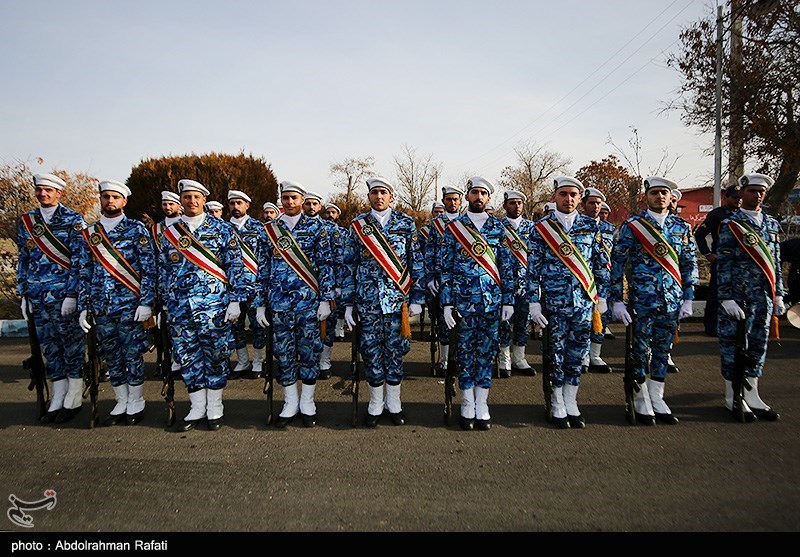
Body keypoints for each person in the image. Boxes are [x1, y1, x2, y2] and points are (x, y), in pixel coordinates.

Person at [158, 179, 247, 431]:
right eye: (187, 197)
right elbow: (164, 271)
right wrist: (164, 305)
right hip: (180, 308)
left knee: (216, 355)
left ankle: (215, 406)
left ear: (204, 200)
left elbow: (235, 267)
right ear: (181, 201)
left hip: (214, 307)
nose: (192, 201)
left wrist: (236, 301)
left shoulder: (222, 230)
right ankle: (197, 407)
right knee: (188, 357)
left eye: (196, 197)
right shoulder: (170, 233)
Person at [610, 177, 698, 425]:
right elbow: (617, 264)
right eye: (655, 193)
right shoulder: (633, 226)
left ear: (672, 198)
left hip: (671, 300)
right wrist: (617, 300)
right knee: (639, 350)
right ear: (646, 197)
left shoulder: (682, 227)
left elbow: (689, 265)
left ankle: (657, 396)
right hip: (642, 300)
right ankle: (639, 397)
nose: (660, 197)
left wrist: (688, 297)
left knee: (662, 350)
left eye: (664, 193)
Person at [341, 177, 425, 426]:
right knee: (372, 352)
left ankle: (395, 402)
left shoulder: (406, 223)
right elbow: (348, 266)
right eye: (375, 193)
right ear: (368, 197)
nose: (379, 196)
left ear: (391, 197)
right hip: (367, 303)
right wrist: (347, 304)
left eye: (384, 192)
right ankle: (376, 403)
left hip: (397, 303)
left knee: (396, 352)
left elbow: (416, 261)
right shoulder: (358, 225)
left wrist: (418, 298)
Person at [527, 176, 610, 429]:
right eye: (563, 194)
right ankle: (556, 402)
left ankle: (571, 401)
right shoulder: (541, 228)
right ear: (554, 197)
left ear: (580, 199)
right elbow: (533, 269)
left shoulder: (591, 226)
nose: (568, 199)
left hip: (583, 304)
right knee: (555, 355)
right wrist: (534, 302)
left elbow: (601, 264)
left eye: (573, 195)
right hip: (554, 304)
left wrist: (602, 296)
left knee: (577, 354)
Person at [254, 181, 335, 428]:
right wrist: (259, 304)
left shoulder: (318, 228)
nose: (290, 202)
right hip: (279, 305)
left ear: (302, 200)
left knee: (310, 353)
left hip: (308, 304)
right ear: (281, 200)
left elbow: (326, 265)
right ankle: (290, 402)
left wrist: (326, 299)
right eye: (286, 198)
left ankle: (308, 402)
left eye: (294, 198)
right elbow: (262, 268)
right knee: (284, 354)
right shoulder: (269, 230)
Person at [78, 180, 157, 426]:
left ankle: (136, 400)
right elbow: (84, 271)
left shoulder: (137, 230)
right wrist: (83, 306)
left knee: (132, 354)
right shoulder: (90, 233)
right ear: (100, 200)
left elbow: (149, 269)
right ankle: (120, 399)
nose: (110, 201)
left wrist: (146, 302)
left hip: (129, 305)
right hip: (101, 306)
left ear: (124, 201)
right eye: (106, 196)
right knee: (111, 355)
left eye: (115, 197)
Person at [440, 177, 515, 431]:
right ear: (468, 196)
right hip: (464, 304)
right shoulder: (455, 228)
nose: (478, 197)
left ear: (488, 198)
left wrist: (509, 300)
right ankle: (466, 402)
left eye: (483, 193)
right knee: (465, 354)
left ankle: (482, 404)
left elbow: (507, 266)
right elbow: (446, 268)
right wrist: (447, 304)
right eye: (474, 193)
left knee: (485, 353)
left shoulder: (498, 228)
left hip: (491, 303)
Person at [16, 173, 86, 424]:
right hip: (37, 296)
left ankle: (74, 396)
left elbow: (80, 261)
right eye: (40, 190)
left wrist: (72, 294)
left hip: (62, 295)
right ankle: (58, 395)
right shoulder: (26, 221)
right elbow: (23, 259)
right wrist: (23, 293)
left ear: (59, 194)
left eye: (48, 190)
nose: (43, 194)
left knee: (71, 346)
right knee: (49, 348)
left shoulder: (73, 220)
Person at [717, 173, 785, 422]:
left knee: (758, 346)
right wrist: (725, 297)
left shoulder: (772, 225)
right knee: (733, 346)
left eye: (761, 192)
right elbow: (723, 262)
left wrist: (779, 294)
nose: (757, 195)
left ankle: (752, 394)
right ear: (742, 193)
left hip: (764, 297)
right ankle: (731, 396)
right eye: (752, 191)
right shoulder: (730, 225)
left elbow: (775, 262)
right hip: (738, 297)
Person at [227, 189, 269, 379]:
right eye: (232, 203)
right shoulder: (222, 228)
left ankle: (258, 362)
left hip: (254, 286)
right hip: (231, 287)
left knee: (258, 326)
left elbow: (265, 259)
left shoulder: (260, 228)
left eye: (239, 203)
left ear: (247, 205)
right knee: (235, 327)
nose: (235, 207)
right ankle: (243, 361)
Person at [303, 190, 344, 380]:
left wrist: (337, 285)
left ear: (320, 207)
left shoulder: (332, 229)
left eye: (315, 204)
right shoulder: (293, 227)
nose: (311, 207)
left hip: (327, 285)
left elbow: (339, 258)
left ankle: (324, 361)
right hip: (302, 288)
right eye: (308, 203)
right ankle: (307, 361)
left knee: (328, 326)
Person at [426, 185, 465, 375]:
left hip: (465, 280)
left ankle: (460, 358)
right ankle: (444, 359)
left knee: (463, 320)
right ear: (443, 201)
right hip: (442, 280)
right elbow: (430, 252)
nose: (452, 202)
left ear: (461, 201)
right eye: (449, 199)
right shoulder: (437, 224)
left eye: (456, 199)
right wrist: (431, 277)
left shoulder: (468, 223)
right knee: (444, 321)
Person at [693, 185, 742, 336]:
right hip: (722, 260)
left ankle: (738, 325)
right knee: (716, 293)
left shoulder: (745, 214)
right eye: (735, 198)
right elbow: (700, 234)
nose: (738, 201)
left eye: (740, 198)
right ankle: (711, 326)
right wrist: (708, 254)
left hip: (741, 262)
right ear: (726, 198)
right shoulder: (717, 214)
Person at [497, 190, 536, 378]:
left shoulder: (532, 227)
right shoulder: (497, 227)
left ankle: (519, 358)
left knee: (523, 321)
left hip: (526, 284)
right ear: (505, 206)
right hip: (504, 284)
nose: (517, 206)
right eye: (512, 203)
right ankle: (504, 358)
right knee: (504, 322)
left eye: (520, 203)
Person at [580, 187, 615, 373]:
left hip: (605, 282)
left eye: (598, 203)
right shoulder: (578, 227)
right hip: (584, 280)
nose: (595, 207)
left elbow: (615, 257)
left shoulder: (609, 229)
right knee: (584, 320)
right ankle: (584, 356)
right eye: (591, 203)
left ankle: (596, 355)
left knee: (603, 319)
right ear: (583, 204)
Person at [324, 201, 347, 340]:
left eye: (333, 212)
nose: (330, 215)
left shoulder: (344, 232)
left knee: (341, 305)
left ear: (338, 215)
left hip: (340, 272)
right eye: (328, 212)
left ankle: (340, 328)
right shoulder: (322, 229)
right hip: (326, 272)